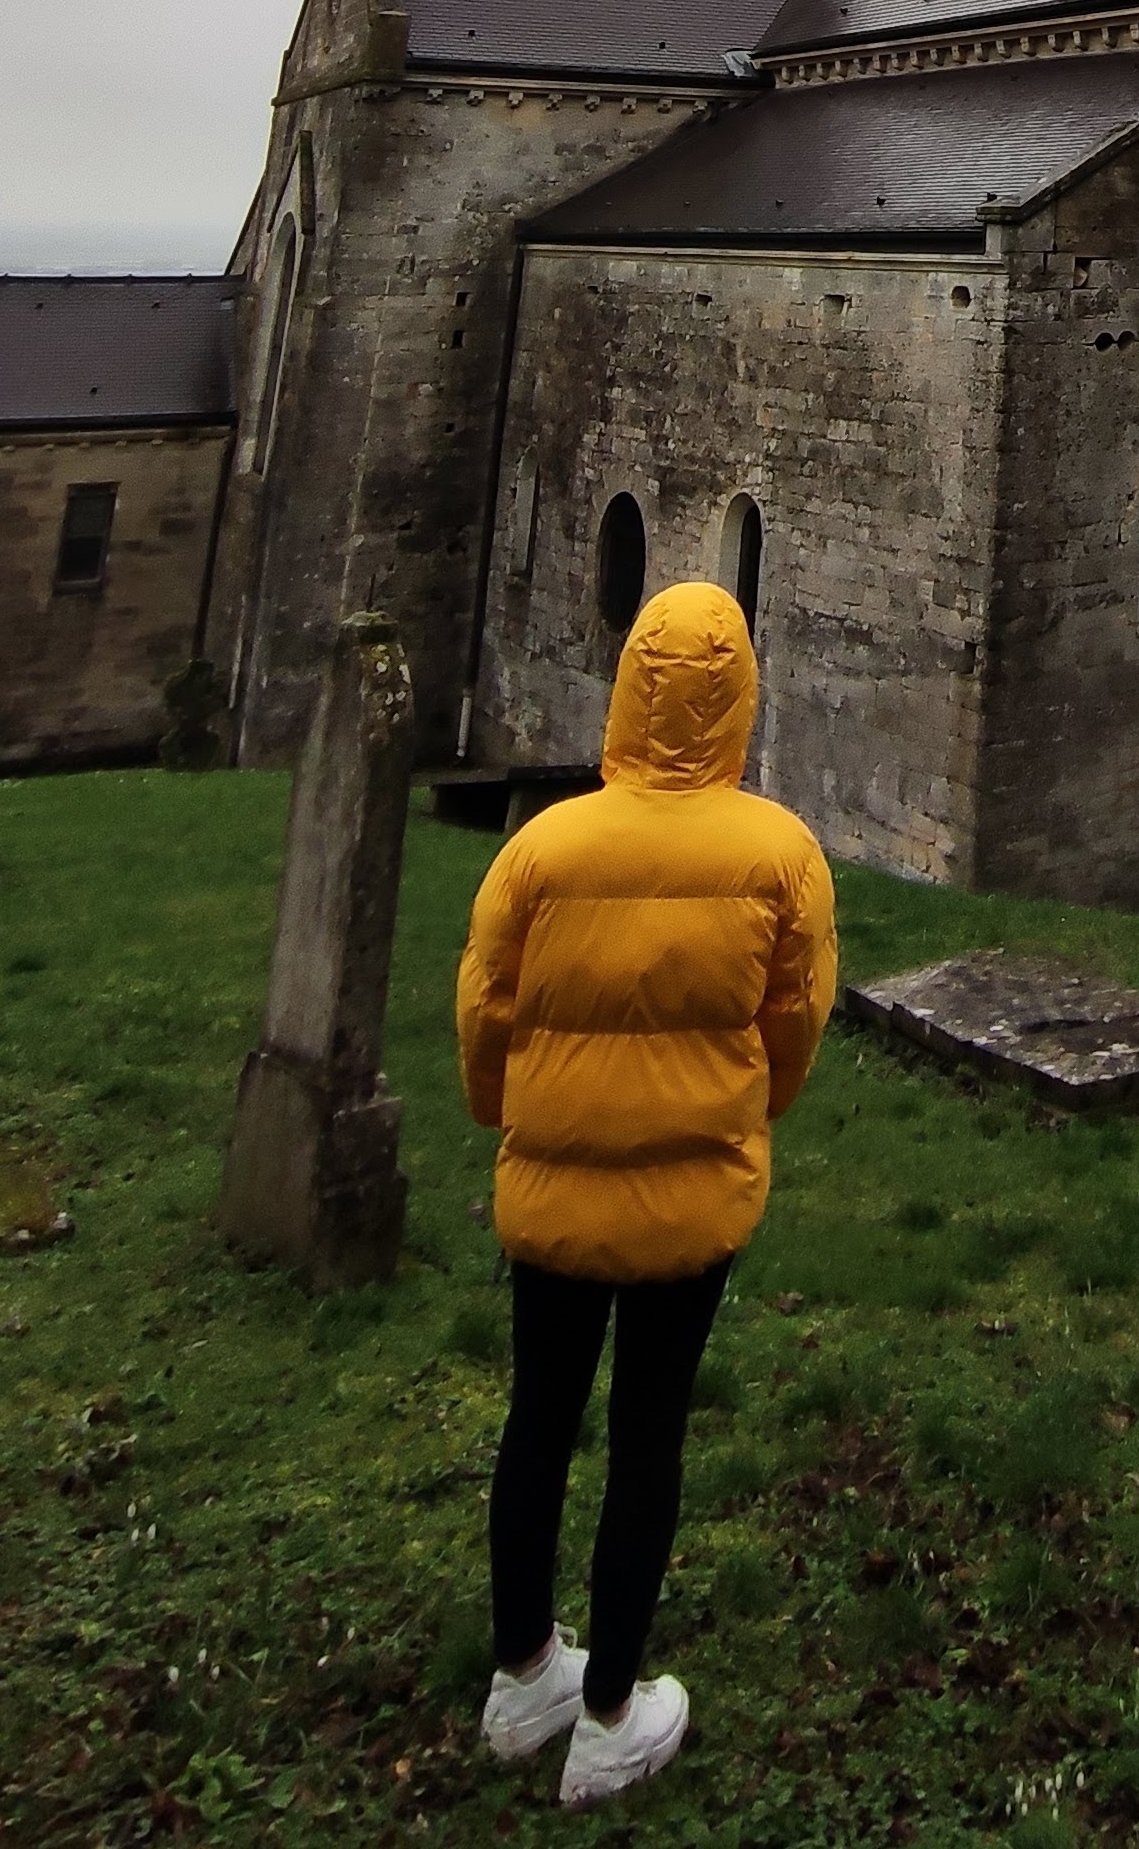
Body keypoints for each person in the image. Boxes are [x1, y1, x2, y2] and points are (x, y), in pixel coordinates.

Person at [456, 578, 835, 1807]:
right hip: (689, 1196)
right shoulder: (780, 854)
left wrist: (509, 1113)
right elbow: (794, 1022)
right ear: (739, 700)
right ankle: (613, 1708)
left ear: (628, 690)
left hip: (553, 1186)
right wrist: (748, 1109)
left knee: (538, 1418)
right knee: (648, 1434)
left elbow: (485, 1010)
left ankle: (524, 1673)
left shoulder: (541, 847)